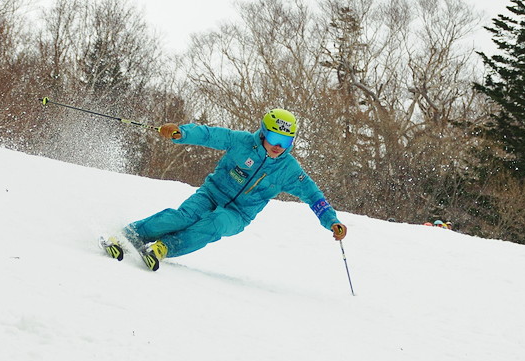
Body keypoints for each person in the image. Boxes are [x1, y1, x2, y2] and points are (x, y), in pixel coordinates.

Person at [104, 108, 347, 271]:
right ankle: (130, 235)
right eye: (274, 138)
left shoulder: (289, 169)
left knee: (216, 224)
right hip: (211, 194)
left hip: (238, 214)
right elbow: (210, 135)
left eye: (285, 142)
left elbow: (314, 196)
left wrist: (331, 220)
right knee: (183, 217)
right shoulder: (241, 141)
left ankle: (164, 247)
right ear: (263, 132)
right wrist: (182, 132)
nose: (278, 146)